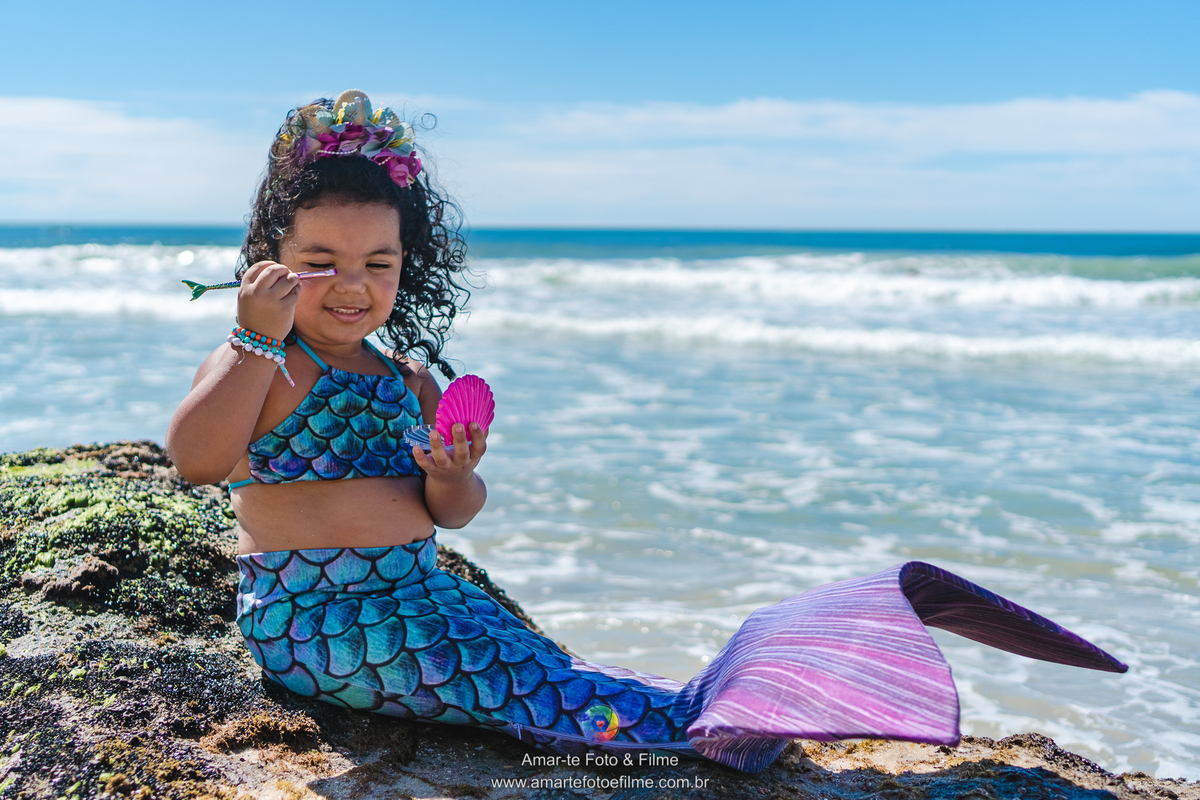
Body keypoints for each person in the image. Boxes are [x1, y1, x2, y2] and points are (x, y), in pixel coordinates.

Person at [167, 90, 1126, 774]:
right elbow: (195, 462)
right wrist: (253, 337)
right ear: (270, 263)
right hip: (322, 622)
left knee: (553, 671)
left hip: (426, 592)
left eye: (379, 262)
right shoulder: (268, 365)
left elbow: (449, 515)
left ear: (405, 266)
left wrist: (454, 473)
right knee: (536, 703)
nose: (352, 284)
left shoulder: (407, 379)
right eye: (320, 261)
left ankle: (752, 674)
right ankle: (720, 723)